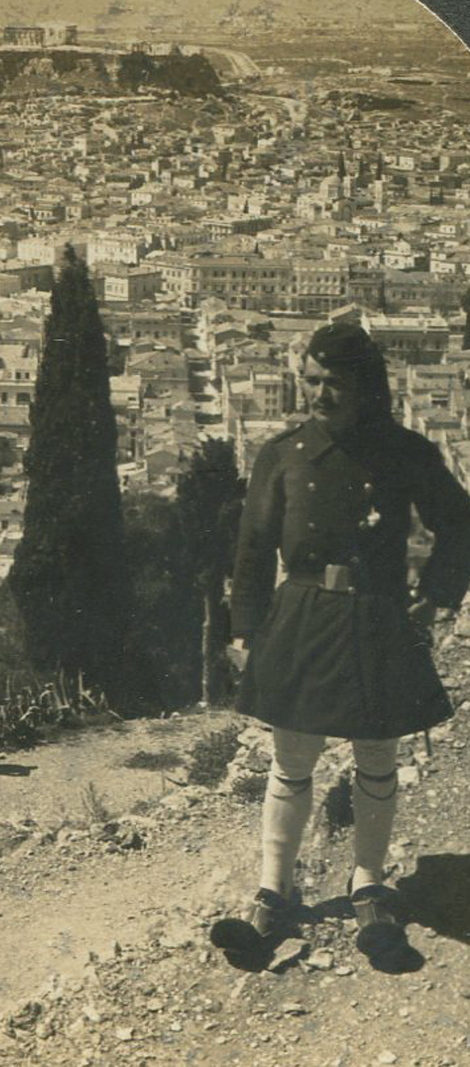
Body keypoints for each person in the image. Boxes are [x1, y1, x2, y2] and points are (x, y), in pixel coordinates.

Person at [211, 322, 470, 965]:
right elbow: (252, 548)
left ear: (365, 385)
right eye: (311, 381)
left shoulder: (405, 451)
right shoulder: (283, 454)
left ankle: (370, 886)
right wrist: (244, 629)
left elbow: (461, 523)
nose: (320, 394)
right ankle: (273, 893)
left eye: (334, 382)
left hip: (377, 617)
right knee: (291, 760)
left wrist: (436, 596)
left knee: (376, 757)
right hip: (301, 615)